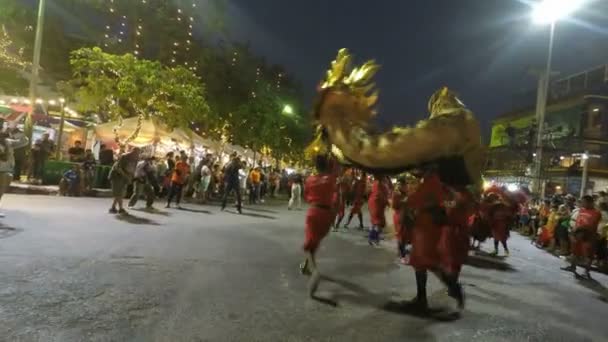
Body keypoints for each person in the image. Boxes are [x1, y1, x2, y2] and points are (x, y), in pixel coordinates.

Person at [406, 167, 464, 311]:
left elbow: (428, 201)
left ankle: (454, 289)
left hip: (428, 230)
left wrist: (413, 204)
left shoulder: (433, 182)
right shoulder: (431, 182)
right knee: (421, 263)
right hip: (424, 228)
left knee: (429, 262)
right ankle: (422, 297)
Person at [300, 154, 337, 297]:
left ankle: (315, 272)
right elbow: (336, 166)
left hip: (314, 212)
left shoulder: (310, 180)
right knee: (314, 241)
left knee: (310, 243)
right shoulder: (331, 179)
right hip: (327, 215)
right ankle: (306, 266)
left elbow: (306, 196)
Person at [563, 195, 601, 279]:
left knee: (588, 254)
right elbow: (578, 221)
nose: (582, 203)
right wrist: (574, 232)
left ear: (590, 202)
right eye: (582, 202)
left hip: (589, 236)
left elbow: (590, 225)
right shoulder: (581, 210)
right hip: (578, 234)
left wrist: (578, 228)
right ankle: (572, 267)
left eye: (584, 202)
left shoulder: (596, 213)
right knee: (575, 252)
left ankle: (586, 272)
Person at [0, 131, 28, 216]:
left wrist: (15, 134)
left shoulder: (8, 142)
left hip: (6, 169)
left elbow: (24, 141)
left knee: (1, 190)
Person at [108, 147, 140, 214]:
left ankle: (113, 207)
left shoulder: (136, 159)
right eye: (134, 152)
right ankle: (120, 209)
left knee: (120, 193)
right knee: (119, 193)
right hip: (117, 176)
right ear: (131, 151)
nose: (135, 154)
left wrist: (130, 177)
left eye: (137, 153)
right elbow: (118, 168)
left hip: (125, 176)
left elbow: (133, 169)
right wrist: (126, 176)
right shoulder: (124, 156)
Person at [392, 177, 411, 263]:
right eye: (404, 185)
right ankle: (402, 256)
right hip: (399, 217)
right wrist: (403, 201)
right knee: (401, 236)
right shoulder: (396, 194)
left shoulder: (405, 194)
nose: (406, 186)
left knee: (403, 236)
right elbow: (394, 206)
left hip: (405, 216)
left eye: (406, 185)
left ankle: (400, 252)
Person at [368, 175, 390, 245]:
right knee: (379, 223)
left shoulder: (376, 183)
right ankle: (372, 238)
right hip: (377, 205)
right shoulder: (381, 185)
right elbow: (381, 195)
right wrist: (387, 202)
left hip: (374, 204)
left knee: (375, 222)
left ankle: (374, 238)